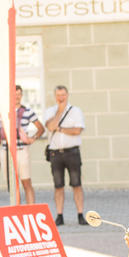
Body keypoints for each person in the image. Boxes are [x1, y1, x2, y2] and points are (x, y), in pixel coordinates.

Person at [0, 85, 45, 204]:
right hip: (6, 151)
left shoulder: (27, 112)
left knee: (26, 182)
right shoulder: (3, 112)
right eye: (14, 94)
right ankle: (17, 210)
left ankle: (31, 210)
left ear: (22, 95)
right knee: (12, 184)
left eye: (19, 94)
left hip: (21, 150)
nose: (17, 97)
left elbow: (41, 128)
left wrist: (32, 138)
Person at [44, 85, 87, 226]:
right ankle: (59, 215)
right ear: (54, 96)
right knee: (58, 186)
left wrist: (61, 128)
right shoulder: (50, 111)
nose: (60, 98)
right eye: (58, 95)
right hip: (56, 153)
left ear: (67, 95)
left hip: (72, 152)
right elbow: (50, 127)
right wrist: (59, 112)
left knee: (76, 184)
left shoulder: (76, 111)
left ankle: (80, 214)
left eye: (63, 95)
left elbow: (77, 130)